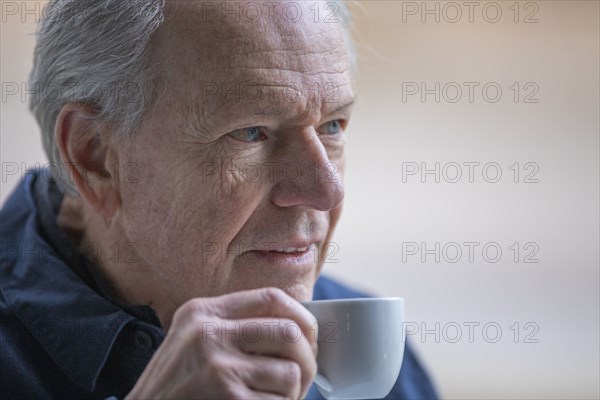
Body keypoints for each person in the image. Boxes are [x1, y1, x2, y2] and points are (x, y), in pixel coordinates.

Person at [0, 0, 438, 398]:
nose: (327, 191)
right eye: (252, 133)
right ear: (95, 157)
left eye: (333, 127)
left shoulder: (364, 348)